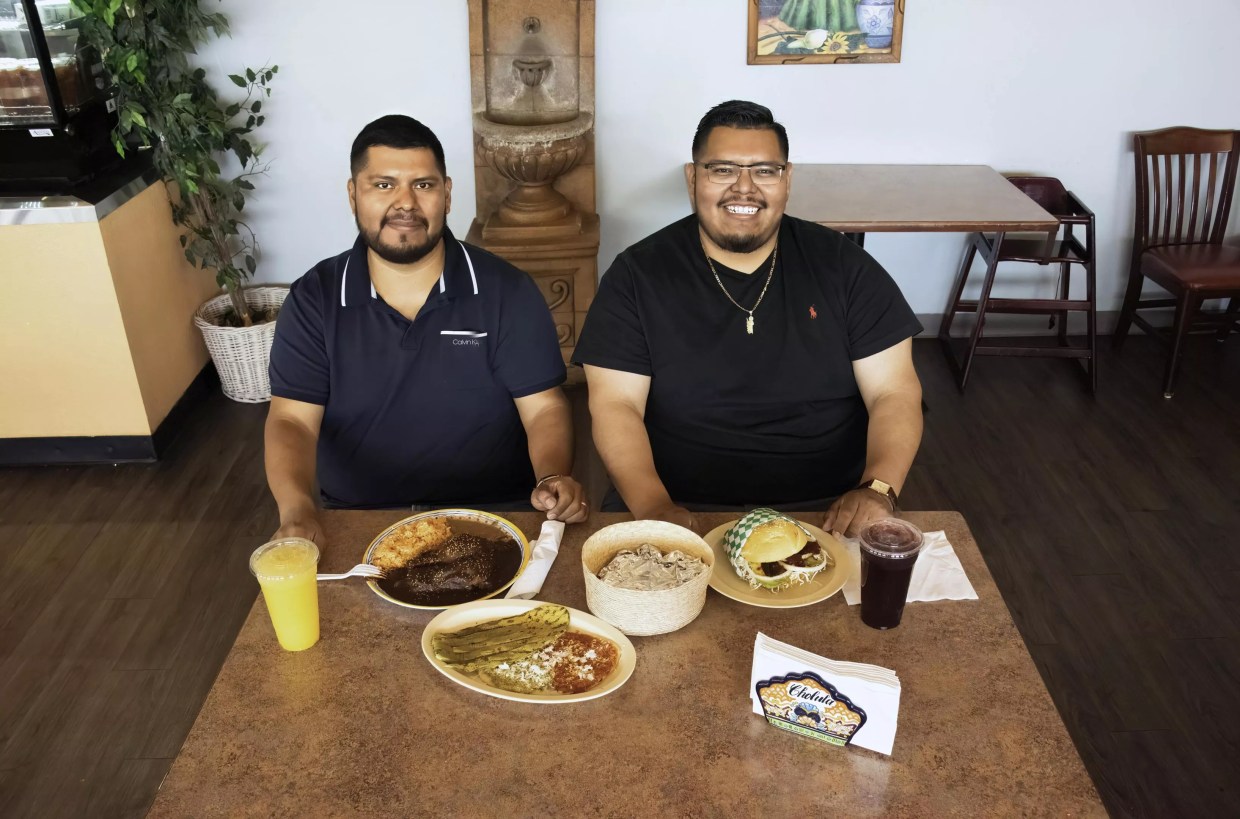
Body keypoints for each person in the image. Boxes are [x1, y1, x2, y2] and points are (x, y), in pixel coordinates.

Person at [572, 100, 922, 537]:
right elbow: (614, 404)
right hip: (676, 502)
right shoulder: (637, 274)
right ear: (692, 177)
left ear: (787, 179)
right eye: (722, 170)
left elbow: (894, 392)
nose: (744, 188)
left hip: (826, 506)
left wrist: (877, 488)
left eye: (764, 170)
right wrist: (653, 503)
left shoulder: (845, 267)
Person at [265, 114, 587, 545]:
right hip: (361, 517)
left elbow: (543, 408)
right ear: (353, 194)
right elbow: (292, 421)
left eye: (423, 185)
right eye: (383, 185)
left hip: (494, 513)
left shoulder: (506, 290)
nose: (405, 204)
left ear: (447, 194)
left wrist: (552, 476)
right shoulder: (315, 299)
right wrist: (298, 510)